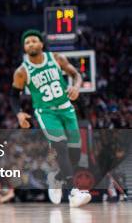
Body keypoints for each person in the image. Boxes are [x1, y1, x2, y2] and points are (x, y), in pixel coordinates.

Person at [10, 29, 91, 207]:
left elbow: (76, 74)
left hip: (66, 108)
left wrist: (76, 87)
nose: (30, 44)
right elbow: (13, 95)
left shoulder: (56, 58)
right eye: (27, 42)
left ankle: (57, 177)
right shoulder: (22, 71)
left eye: (34, 41)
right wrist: (19, 113)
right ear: (24, 48)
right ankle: (73, 193)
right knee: (61, 147)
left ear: (41, 44)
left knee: (75, 155)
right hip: (46, 112)